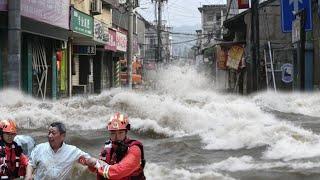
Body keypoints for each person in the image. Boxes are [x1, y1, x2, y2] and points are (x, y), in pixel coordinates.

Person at [24, 122, 97, 180]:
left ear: (63, 136)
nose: (50, 136)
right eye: (49, 133)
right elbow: (31, 164)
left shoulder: (72, 151)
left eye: (53, 133)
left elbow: (87, 159)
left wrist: (91, 161)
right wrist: (28, 175)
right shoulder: (39, 148)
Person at [96, 112, 146, 180]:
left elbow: (119, 171)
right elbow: (98, 172)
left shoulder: (134, 149)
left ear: (126, 132)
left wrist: (96, 164)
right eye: (113, 133)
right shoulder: (106, 149)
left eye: (120, 133)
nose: (117, 137)